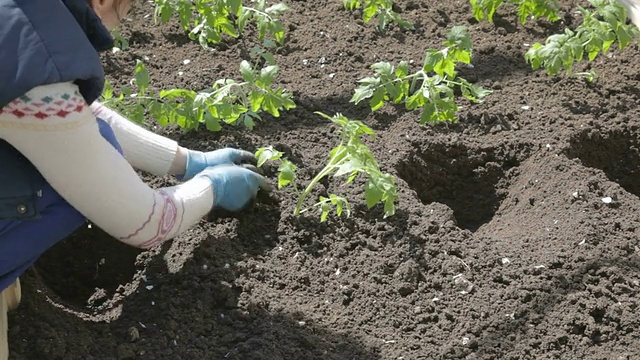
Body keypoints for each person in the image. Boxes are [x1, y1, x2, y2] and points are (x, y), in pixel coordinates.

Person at [0, 0, 271, 358]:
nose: (116, 27)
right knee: (67, 181)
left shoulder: (20, 23)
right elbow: (146, 223)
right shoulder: (35, 73)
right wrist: (213, 187)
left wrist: (187, 162)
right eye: (124, 14)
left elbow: (68, 117)